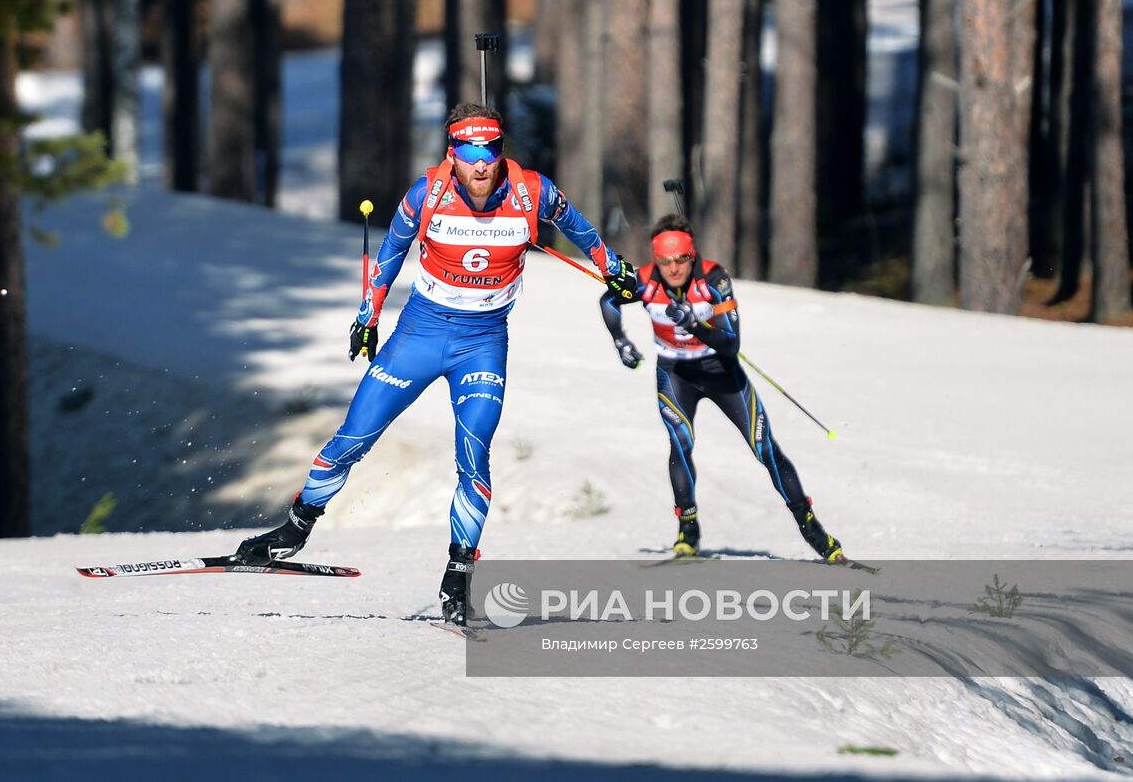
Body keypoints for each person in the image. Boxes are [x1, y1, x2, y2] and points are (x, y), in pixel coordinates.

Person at [235, 103, 639, 623]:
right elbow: (390, 253)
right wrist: (368, 316)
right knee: (354, 438)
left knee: (474, 455)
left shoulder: (531, 192)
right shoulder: (428, 193)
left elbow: (581, 231)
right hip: (420, 336)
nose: (480, 165)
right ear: (452, 154)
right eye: (469, 154)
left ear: (501, 151)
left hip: (483, 342)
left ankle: (459, 575)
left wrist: (614, 268)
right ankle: (293, 529)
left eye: (490, 152)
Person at [598, 214, 846, 562]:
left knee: (765, 449)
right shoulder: (643, 281)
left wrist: (695, 324)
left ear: (692, 254)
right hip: (675, 374)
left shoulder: (714, 278)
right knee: (680, 444)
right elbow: (608, 300)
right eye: (664, 261)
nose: (672, 268)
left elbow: (731, 344)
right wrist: (620, 341)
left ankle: (814, 531)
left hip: (721, 373)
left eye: (680, 259)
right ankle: (688, 531)